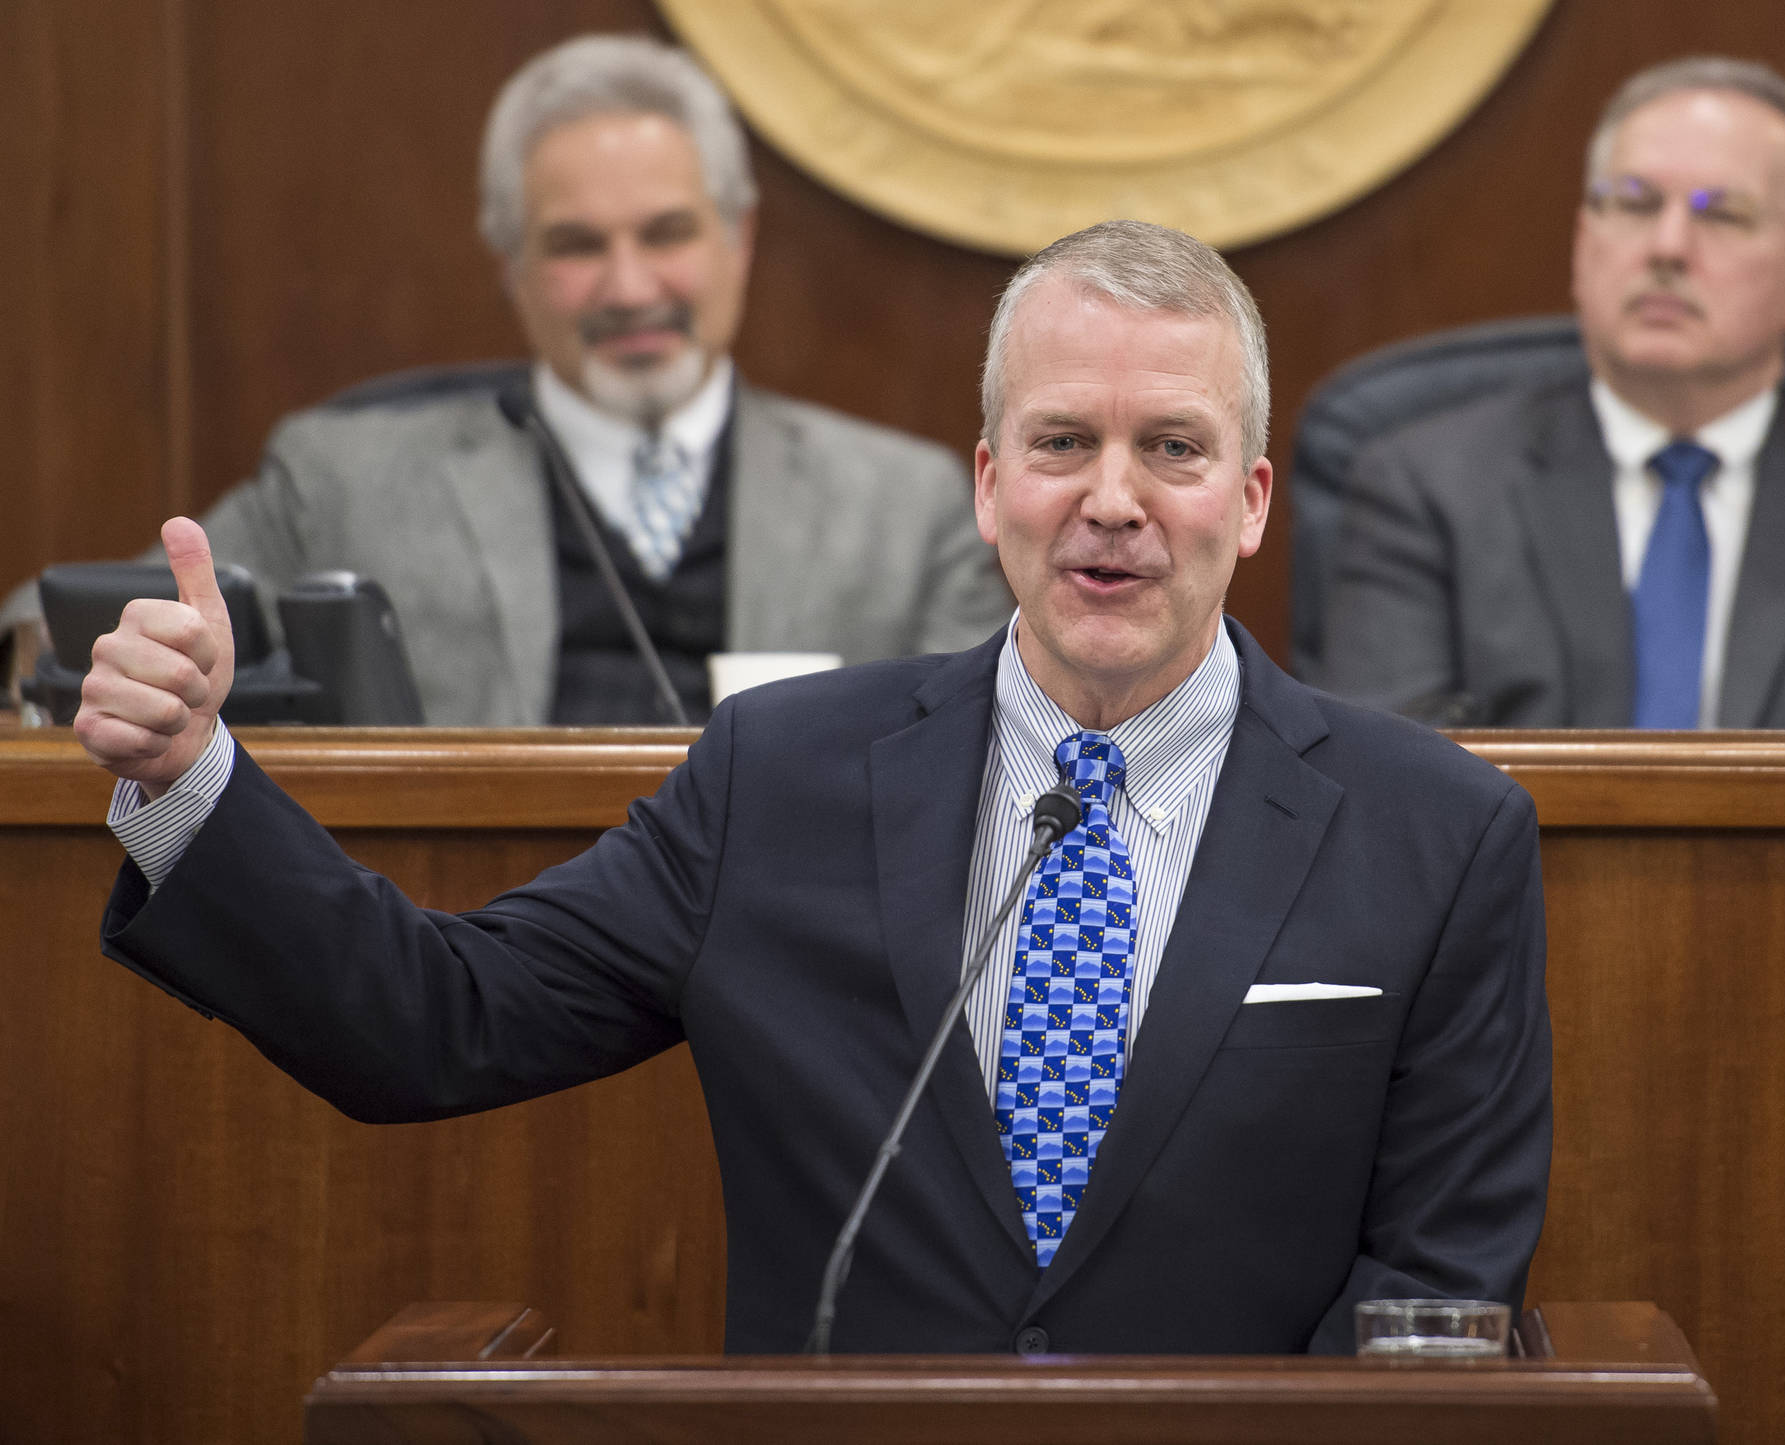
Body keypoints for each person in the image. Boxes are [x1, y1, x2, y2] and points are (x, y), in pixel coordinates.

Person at [76, 220, 1550, 1354]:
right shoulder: (779, 779)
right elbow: (430, 1021)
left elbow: (1438, 1292)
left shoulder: (1437, 835)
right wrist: (190, 775)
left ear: (1250, 498)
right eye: (1061, 444)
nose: (1113, 500)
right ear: (988, 486)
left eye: (1172, 447)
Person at [2, 35, 1010, 725]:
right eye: (575, 245)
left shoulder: (909, 510)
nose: (628, 286)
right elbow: (55, 639)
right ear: (512, 271)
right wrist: (106, 661)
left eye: (665, 234)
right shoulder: (346, 478)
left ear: (738, 240)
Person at [1313, 56, 1785, 729]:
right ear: (1582, 244)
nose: (1666, 246)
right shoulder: (1427, 488)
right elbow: (1388, 802)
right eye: (1631, 202)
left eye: (1721, 213)